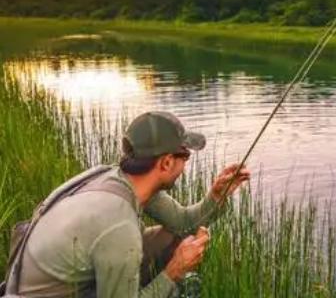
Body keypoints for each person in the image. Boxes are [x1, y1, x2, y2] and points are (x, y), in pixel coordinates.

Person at [7, 111, 250, 297]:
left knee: (170, 238)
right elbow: (119, 234)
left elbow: (184, 224)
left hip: (48, 281)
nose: (185, 164)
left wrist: (217, 196)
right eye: (184, 156)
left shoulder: (116, 177)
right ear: (165, 163)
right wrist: (174, 271)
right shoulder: (118, 224)